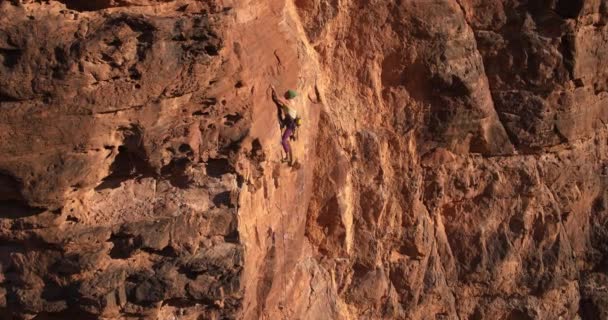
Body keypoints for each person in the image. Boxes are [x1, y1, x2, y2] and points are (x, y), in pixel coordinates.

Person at [271, 85, 302, 166]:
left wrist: (273, 88)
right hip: (290, 123)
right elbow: (286, 108)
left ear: (289, 95)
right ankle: (290, 142)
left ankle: (287, 156)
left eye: (287, 93)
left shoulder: (288, 102)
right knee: (285, 136)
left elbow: (277, 98)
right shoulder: (293, 102)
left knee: (283, 140)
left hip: (290, 125)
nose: (285, 94)